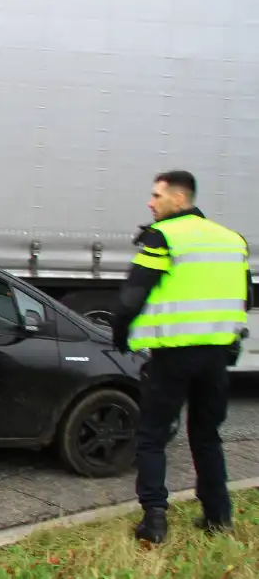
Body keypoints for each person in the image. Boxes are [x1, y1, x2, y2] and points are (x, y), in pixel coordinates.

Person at [110, 169, 253, 544]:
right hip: (216, 358)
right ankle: (218, 518)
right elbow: (246, 300)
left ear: (178, 198)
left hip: (172, 357)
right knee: (206, 437)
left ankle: (154, 521)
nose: (150, 202)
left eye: (156, 196)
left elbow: (131, 297)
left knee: (153, 436)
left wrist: (120, 334)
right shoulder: (232, 241)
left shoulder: (165, 236)